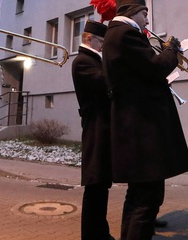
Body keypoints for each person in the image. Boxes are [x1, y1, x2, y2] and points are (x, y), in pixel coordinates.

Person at [102, 0, 188, 240]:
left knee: (138, 198)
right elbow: (155, 68)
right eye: (144, 13)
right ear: (132, 12)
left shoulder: (117, 35)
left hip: (136, 130)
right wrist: (172, 50)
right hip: (142, 133)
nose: (147, 21)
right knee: (146, 201)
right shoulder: (125, 34)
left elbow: (142, 73)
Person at [72, 19, 114, 240]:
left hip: (101, 127)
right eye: (101, 41)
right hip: (95, 128)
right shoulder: (82, 61)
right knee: (95, 185)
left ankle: (100, 233)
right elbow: (105, 82)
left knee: (100, 186)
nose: (103, 46)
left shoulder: (92, 59)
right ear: (89, 38)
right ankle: (92, 235)